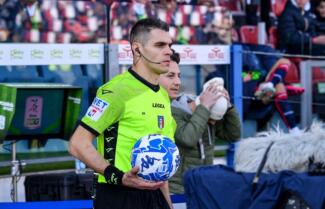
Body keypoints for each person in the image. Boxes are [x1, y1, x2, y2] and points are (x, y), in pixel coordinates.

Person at [69, 18, 175, 209]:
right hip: (119, 195)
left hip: (154, 196)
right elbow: (78, 144)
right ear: (137, 49)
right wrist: (119, 177)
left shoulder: (162, 94)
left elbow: (162, 162)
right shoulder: (115, 91)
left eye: (169, 45)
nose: (169, 51)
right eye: (160, 45)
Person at [159, 50, 241, 194]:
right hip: (177, 191)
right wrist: (203, 108)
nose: (177, 81)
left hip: (203, 187)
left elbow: (233, 135)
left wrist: (227, 107)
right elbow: (187, 138)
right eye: (170, 76)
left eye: (179, 75)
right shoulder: (164, 110)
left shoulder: (197, 105)